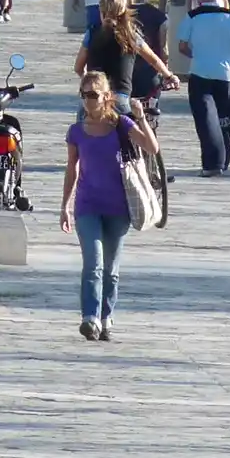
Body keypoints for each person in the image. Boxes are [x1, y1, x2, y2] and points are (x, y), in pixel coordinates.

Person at [59, 71, 159, 342]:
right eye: (84, 95)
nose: (88, 101)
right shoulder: (76, 132)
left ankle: (106, 317)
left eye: (93, 95)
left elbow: (151, 146)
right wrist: (65, 206)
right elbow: (72, 170)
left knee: (111, 271)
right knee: (93, 264)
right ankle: (89, 317)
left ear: (106, 97)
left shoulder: (122, 125)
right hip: (87, 206)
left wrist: (140, 116)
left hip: (118, 208)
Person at [177, 0, 230, 176]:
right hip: (227, 75)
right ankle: (224, 160)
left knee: (206, 119)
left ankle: (211, 164)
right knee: (227, 119)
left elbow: (182, 47)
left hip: (200, 73)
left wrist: (198, 54)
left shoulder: (192, 16)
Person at [76, 0, 178, 126]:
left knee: (81, 139)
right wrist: (169, 76)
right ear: (124, 13)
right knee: (130, 140)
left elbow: (78, 67)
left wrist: (89, 83)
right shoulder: (131, 35)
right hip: (120, 99)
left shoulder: (92, 33)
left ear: (101, 13)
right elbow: (153, 60)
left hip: (93, 98)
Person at [128, 0, 169, 102]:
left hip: (127, 72)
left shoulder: (124, 14)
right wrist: (165, 70)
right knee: (150, 113)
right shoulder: (160, 17)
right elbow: (164, 48)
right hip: (150, 73)